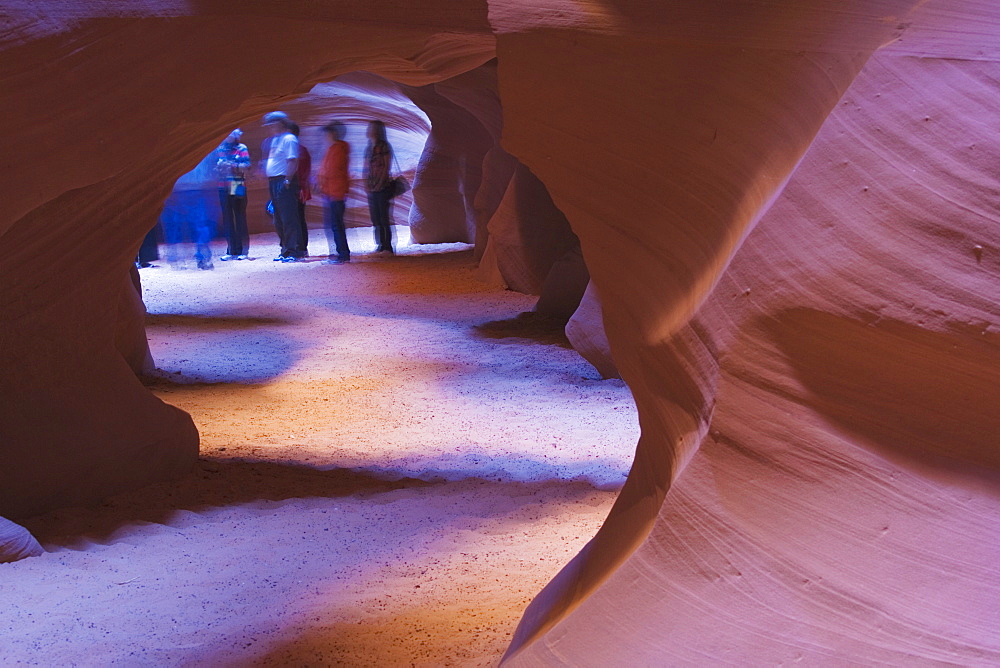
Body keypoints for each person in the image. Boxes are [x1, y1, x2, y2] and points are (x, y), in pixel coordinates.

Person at [262, 111, 305, 262]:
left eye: (270, 124)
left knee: (288, 217)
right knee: (278, 218)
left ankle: (295, 251)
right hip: (274, 181)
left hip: (284, 180)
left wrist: (287, 180)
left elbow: (293, 161)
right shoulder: (274, 140)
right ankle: (285, 250)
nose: (268, 128)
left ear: (279, 123)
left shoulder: (289, 138)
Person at [316, 122, 351, 264]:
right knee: (335, 224)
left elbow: (331, 170)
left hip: (335, 192)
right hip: (332, 191)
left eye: (325, 134)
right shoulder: (335, 149)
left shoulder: (337, 150)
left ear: (332, 134)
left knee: (336, 225)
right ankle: (340, 252)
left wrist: (320, 181)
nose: (323, 137)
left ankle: (343, 254)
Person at [215, 128, 251, 261]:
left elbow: (246, 166)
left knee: (240, 216)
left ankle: (243, 251)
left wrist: (231, 165)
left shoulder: (241, 148)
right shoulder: (219, 149)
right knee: (227, 218)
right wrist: (219, 167)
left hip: (237, 184)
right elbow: (214, 168)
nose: (227, 137)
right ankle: (231, 250)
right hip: (222, 185)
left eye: (230, 134)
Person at [364, 120, 395, 254]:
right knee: (376, 218)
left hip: (383, 187)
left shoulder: (384, 146)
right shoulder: (369, 147)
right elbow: (366, 167)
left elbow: (386, 167)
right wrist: (367, 183)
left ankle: (387, 245)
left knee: (383, 217)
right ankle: (380, 244)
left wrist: (379, 183)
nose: (369, 130)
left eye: (372, 128)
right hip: (372, 187)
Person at [289, 122, 312, 257]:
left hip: (297, 188)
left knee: (297, 218)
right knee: (299, 218)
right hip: (300, 188)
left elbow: (302, 172)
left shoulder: (299, 150)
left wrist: (301, 188)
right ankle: (301, 247)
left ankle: (300, 248)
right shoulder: (302, 149)